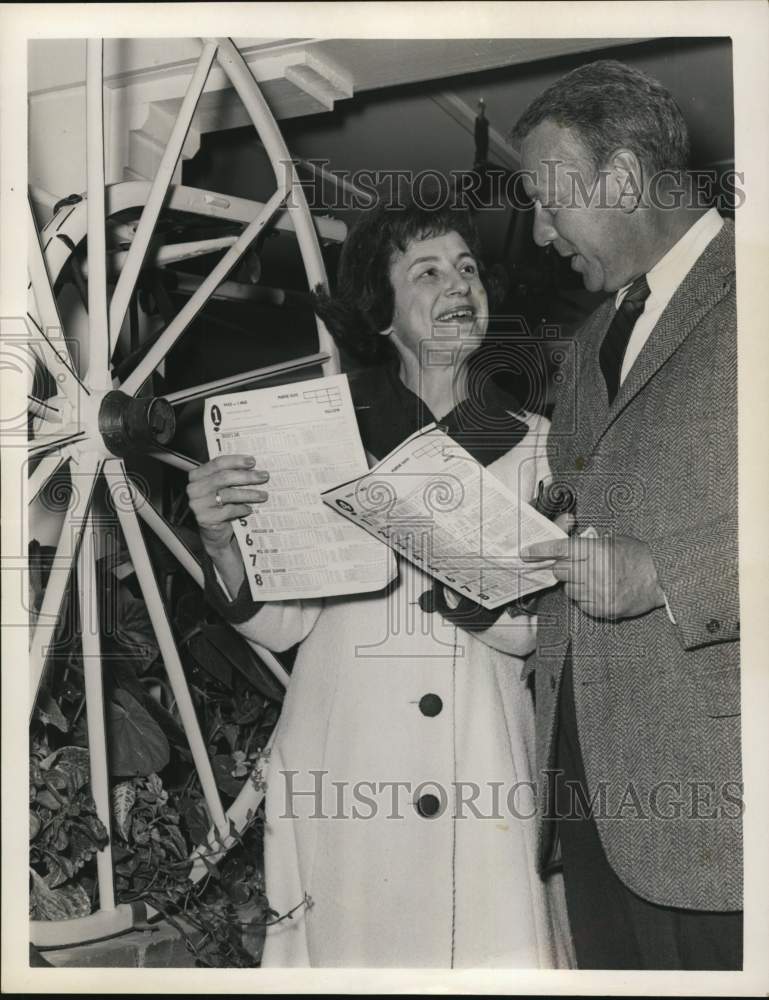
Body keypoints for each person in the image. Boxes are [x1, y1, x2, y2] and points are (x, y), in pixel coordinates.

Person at [186, 198, 574, 967]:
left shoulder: (541, 448)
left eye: (467, 268)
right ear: (382, 312)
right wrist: (220, 538)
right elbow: (285, 620)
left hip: (484, 757)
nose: (457, 283)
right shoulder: (324, 436)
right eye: (426, 270)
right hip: (346, 758)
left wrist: (449, 550)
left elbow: (545, 627)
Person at [511, 60, 742, 969]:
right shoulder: (586, 345)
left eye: (546, 198)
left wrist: (665, 575)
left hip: (719, 812)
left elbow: (658, 556)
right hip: (593, 802)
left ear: (620, 177)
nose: (535, 233)